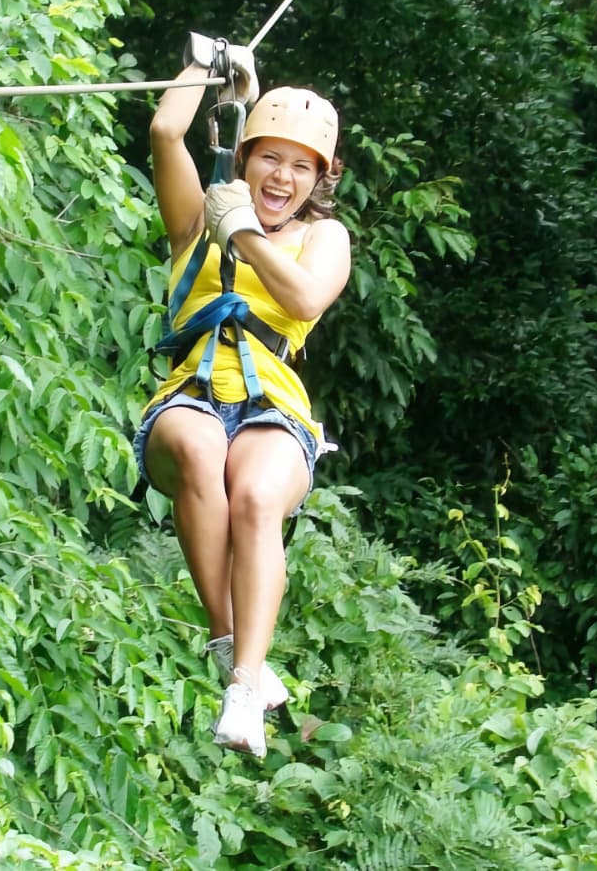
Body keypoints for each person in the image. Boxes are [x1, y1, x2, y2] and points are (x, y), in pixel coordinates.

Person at [133, 38, 351, 758]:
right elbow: (167, 131)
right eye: (269, 157)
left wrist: (248, 237)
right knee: (198, 448)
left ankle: (245, 685)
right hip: (191, 394)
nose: (281, 176)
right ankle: (233, 647)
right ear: (246, 156)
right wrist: (206, 65)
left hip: (272, 406)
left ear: (319, 178)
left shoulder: (323, 238)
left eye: (300, 165)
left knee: (257, 496)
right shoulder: (198, 221)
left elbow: (307, 295)